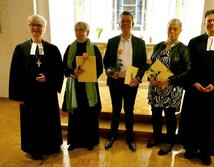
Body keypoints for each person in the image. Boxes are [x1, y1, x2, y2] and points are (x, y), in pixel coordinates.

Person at [178, 9, 214, 165]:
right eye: (209, 20)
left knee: (209, 123)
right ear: (204, 23)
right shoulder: (194, 42)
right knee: (192, 120)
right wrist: (193, 83)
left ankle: (205, 152)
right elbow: (188, 66)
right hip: (195, 89)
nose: (212, 23)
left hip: (213, 91)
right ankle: (190, 148)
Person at [9, 14, 64, 160]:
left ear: (44, 28)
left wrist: (48, 77)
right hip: (30, 95)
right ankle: (34, 149)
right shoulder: (20, 49)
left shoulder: (53, 49)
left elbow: (59, 71)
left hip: (47, 94)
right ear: (28, 27)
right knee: (31, 122)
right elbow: (15, 73)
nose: (36, 28)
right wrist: (18, 96)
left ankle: (52, 145)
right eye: (33, 25)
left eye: (39, 25)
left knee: (49, 119)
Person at [146, 19, 191, 155]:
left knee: (170, 115)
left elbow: (188, 70)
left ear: (180, 31)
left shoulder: (183, 48)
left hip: (172, 87)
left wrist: (169, 80)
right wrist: (151, 75)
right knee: (155, 113)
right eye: (170, 28)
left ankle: (169, 140)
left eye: (175, 29)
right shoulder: (158, 46)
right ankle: (156, 135)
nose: (172, 31)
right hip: (155, 87)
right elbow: (151, 63)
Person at [103, 11, 147, 152]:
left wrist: (138, 78)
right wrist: (110, 72)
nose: (125, 23)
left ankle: (130, 137)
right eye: (123, 21)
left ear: (133, 24)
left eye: (128, 21)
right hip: (116, 82)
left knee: (129, 110)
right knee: (116, 110)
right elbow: (106, 62)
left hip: (131, 82)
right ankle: (112, 136)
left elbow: (143, 64)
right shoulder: (112, 41)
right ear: (119, 24)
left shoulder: (140, 43)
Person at [63, 21, 103, 151]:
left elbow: (100, 68)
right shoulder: (70, 48)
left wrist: (90, 75)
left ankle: (89, 141)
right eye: (76, 30)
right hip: (75, 86)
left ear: (87, 32)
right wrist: (72, 72)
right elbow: (64, 67)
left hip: (89, 86)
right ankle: (74, 141)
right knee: (75, 114)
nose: (79, 32)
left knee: (89, 113)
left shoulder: (94, 48)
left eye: (81, 30)